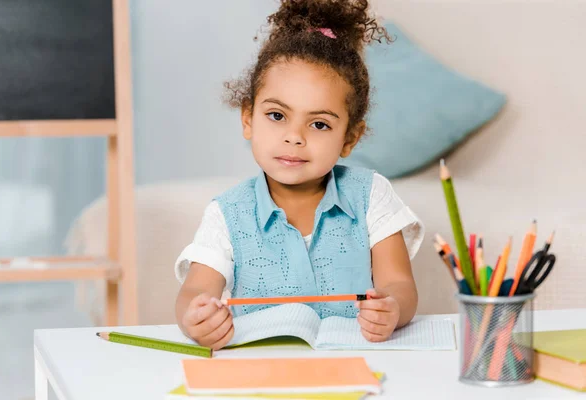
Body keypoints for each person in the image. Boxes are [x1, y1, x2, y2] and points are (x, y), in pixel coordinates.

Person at [175, 0, 424, 350]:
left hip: (357, 364)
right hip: (264, 371)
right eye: (277, 116)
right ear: (248, 119)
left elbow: (400, 284)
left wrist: (392, 308)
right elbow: (195, 290)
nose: (295, 136)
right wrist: (196, 317)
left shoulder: (371, 195)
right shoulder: (227, 213)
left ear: (349, 138)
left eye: (319, 124)